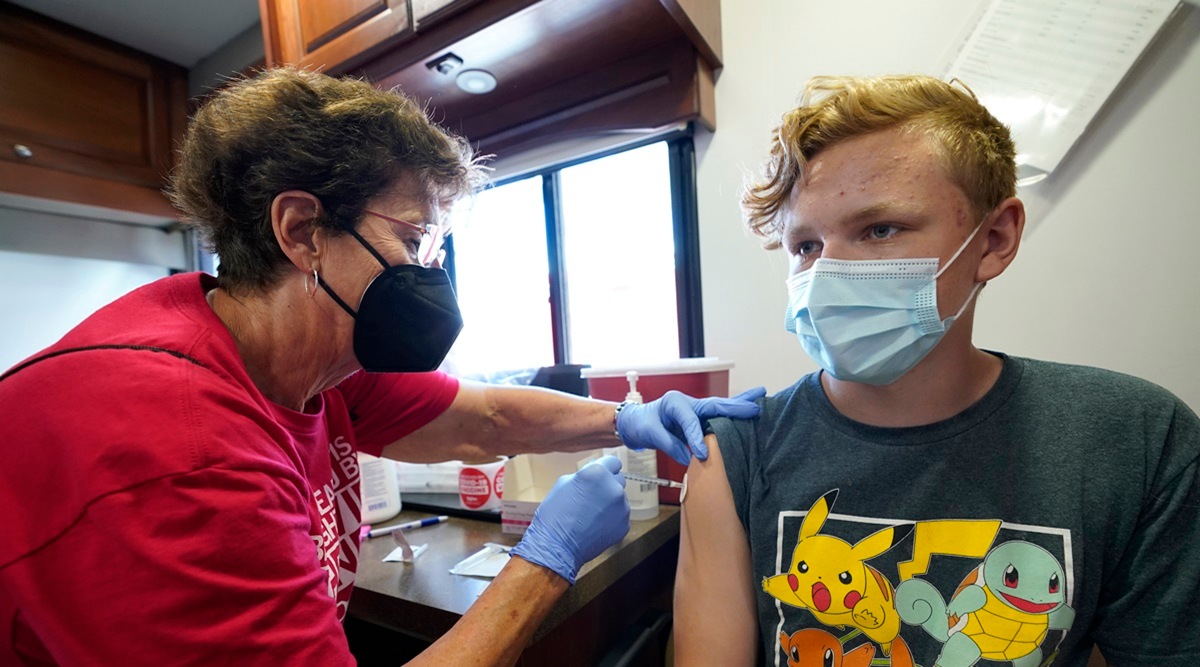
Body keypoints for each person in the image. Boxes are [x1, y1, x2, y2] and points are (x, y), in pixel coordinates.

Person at [0, 66, 764, 666]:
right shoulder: (177, 444)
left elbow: (485, 416)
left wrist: (627, 419)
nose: (429, 274)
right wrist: (544, 562)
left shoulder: (309, 357)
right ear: (301, 231)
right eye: (412, 242)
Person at [674, 75, 1199, 667]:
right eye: (806, 246)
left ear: (994, 239)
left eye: (880, 229)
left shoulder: (1135, 440)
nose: (827, 276)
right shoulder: (735, 454)